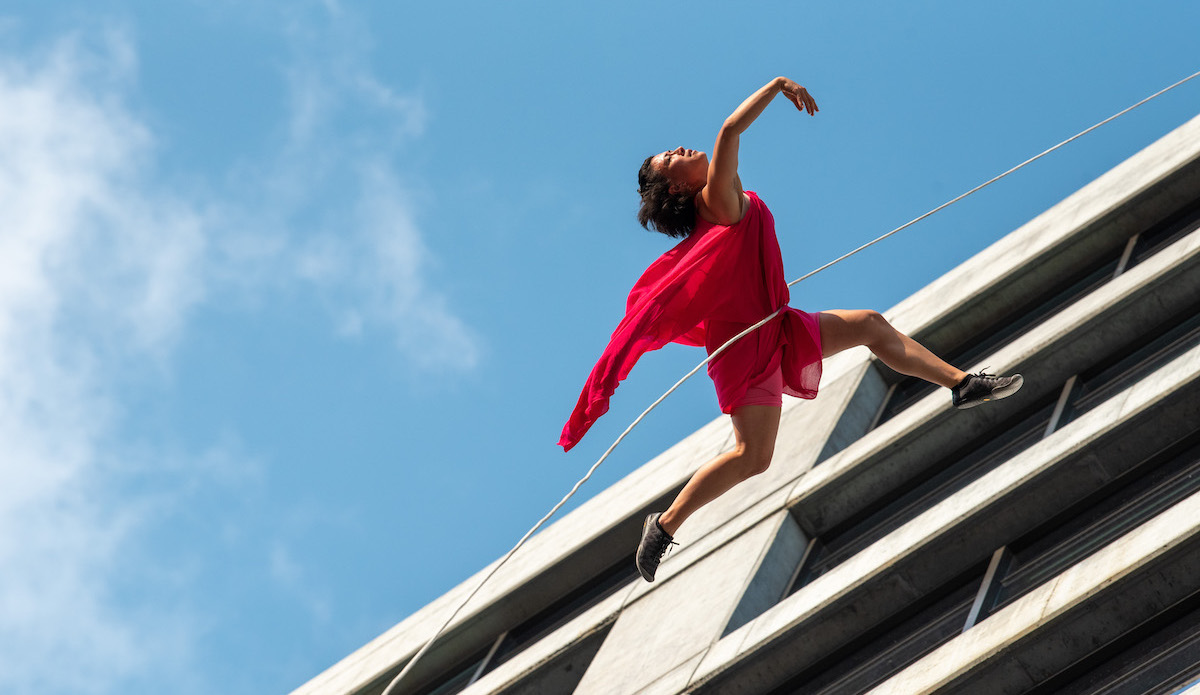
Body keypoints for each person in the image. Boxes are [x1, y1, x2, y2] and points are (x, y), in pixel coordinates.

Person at [559, 77, 1023, 582]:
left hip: (777, 324)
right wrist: (777, 85)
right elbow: (730, 128)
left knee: (869, 324)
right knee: (753, 457)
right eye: (669, 157)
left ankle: (962, 385)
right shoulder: (714, 201)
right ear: (676, 185)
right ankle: (665, 525)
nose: (678, 148)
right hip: (742, 346)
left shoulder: (722, 195)